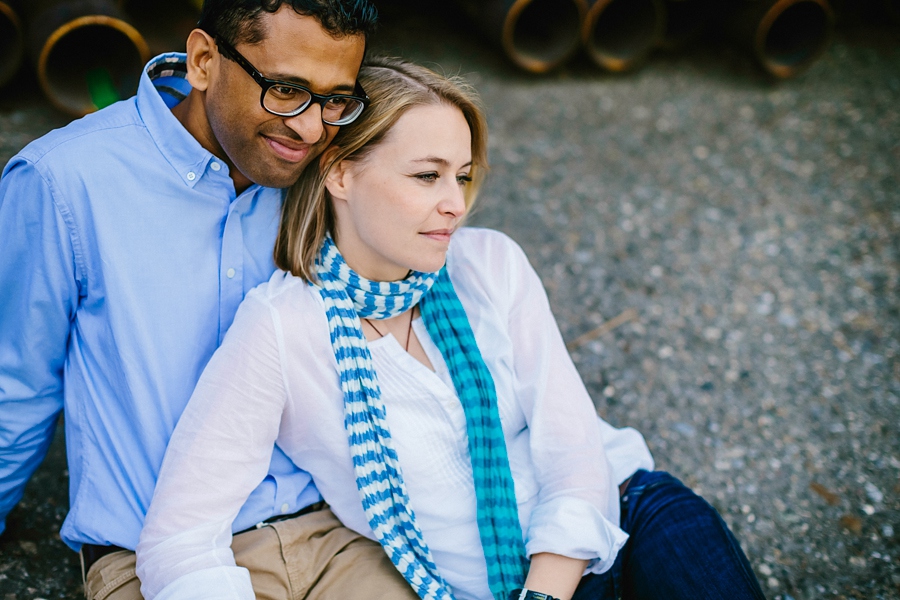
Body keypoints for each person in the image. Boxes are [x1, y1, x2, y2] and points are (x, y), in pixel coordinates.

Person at [136, 56, 767, 600]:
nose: (456, 204)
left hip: (623, 524)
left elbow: (575, 453)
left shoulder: (490, 264)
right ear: (340, 173)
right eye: (426, 175)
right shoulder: (282, 330)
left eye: (461, 175)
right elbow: (180, 536)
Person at [0, 2, 422, 599]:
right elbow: (14, 382)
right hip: (150, 555)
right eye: (285, 90)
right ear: (203, 61)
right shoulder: (63, 182)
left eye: (333, 99)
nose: (308, 128)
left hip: (338, 537)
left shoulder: (332, 166)